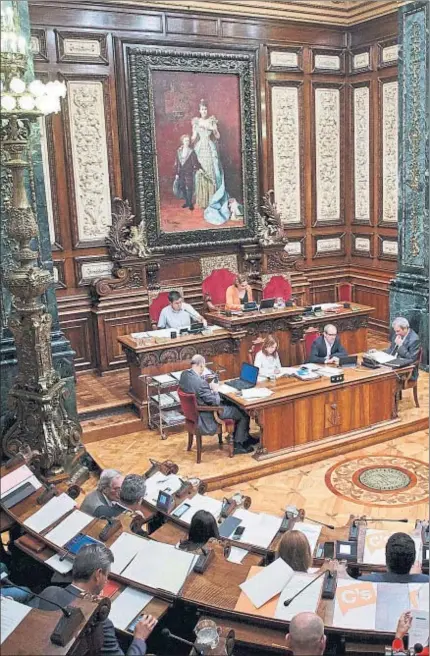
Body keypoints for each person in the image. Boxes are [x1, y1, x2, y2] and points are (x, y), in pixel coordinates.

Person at [32, 544, 157, 655]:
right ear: (98, 575)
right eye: (106, 576)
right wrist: (139, 639)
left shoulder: (49, 592)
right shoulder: (99, 622)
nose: (107, 581)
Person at [179, 354, 256, 455]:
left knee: (233, 403)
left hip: (195, 412)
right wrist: (215, 390)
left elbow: (207, 381)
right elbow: (215, 401)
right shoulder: (201, 384)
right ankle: (238, 444)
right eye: (204, 366)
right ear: (201, 365)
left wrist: (209, 376)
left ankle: (244, 436)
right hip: (209, 414)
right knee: (242, 412)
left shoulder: (185, 375)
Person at [192, 99, 236, 225]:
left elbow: (217, 136)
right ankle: (203, 200)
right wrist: (189, 141)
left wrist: (213, 129)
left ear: (207, 110)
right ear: (199, 110)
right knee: (201, 172)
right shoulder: (196, 121)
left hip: (210, 149)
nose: (204, 111)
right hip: (200, 148)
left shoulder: (212, 120)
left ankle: (212, 198)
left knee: (212, 171)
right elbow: (194, 136)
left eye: (205, 109)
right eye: (202, 109)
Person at [359, 532, 429, 583]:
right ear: (413, 561)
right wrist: (415, 577)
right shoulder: (426, 581)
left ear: (386, 557)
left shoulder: (364, 581)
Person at [173, 134, 202, 211]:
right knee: (182, 187)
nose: (187, 142)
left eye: (188, 140)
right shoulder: (179, 151)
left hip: (189, 172)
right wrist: (176, 173)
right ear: (182, 141)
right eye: (185, 140)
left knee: (189, 187)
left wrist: (198, 169)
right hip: (181, 172)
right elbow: (177, 163)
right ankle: (187, 202)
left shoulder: (191, 151)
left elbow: (195, 162)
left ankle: (190, 203)